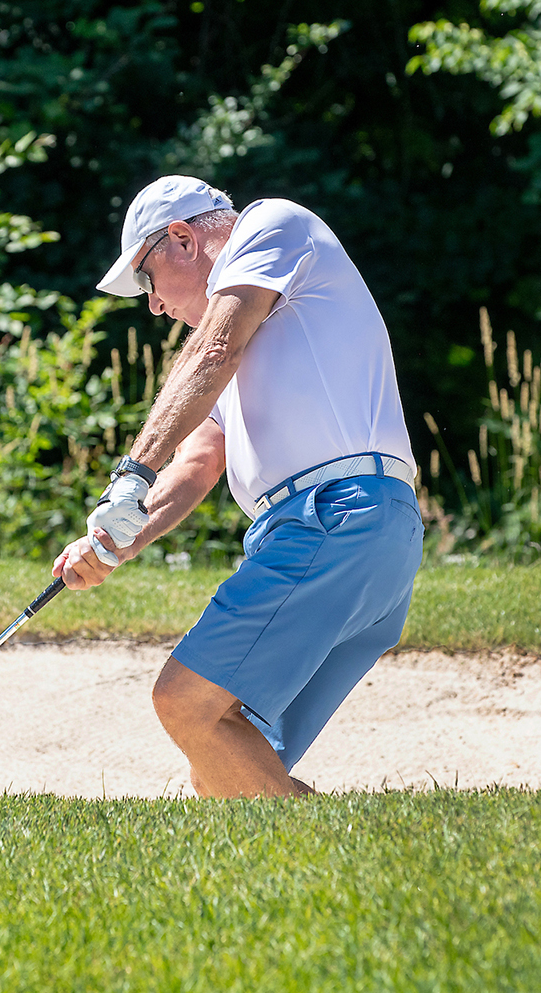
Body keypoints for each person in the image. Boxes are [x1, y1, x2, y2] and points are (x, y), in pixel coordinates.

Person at [52, 174, 424, 797]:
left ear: (182, 239)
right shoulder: (246, 340)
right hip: (353, 529)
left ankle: (350, 845)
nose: (153, 305)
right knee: (221, 772)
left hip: (337, 516)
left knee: (187, 703)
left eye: (146, 279)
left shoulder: (272, 223)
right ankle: (348, 853)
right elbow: (199, 461)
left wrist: (131, 472)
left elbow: (213, 348)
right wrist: (116, 538)